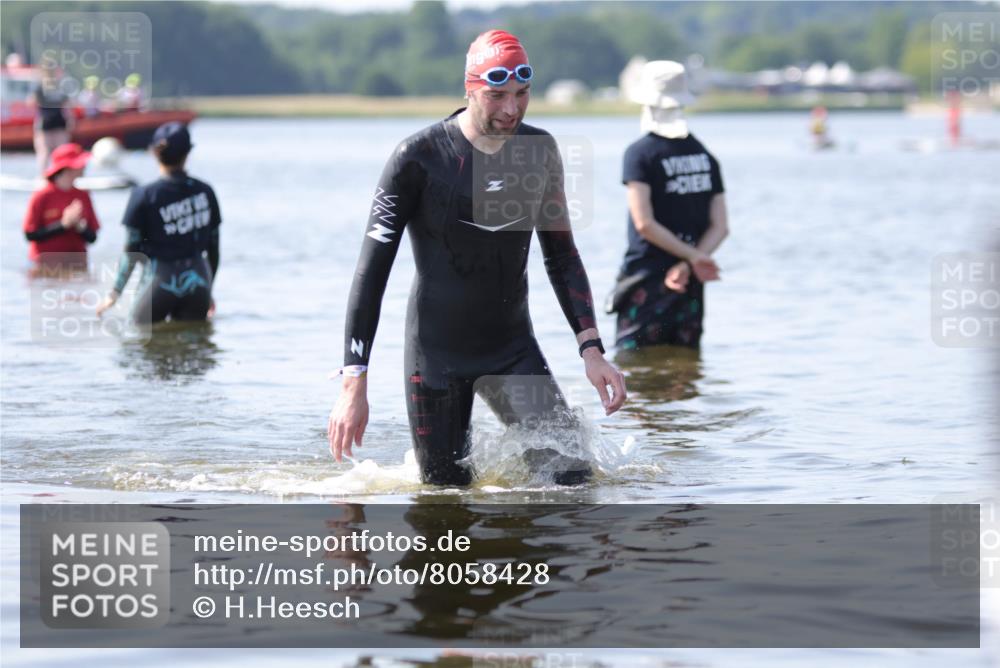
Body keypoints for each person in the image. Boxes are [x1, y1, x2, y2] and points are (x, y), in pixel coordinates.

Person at [327, 30, 626, 486]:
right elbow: (371, 273)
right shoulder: (418, 158)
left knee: (572, 480)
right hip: (436, 357)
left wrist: (592, 350)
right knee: (446, 499)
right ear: (469, 89)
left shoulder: (539, 152)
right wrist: (354, 383)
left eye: (522, 94)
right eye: (497, 95)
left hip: (511, 349)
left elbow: (562, 256)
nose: (511, 109)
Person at [608, 61, 728, 350]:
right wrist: (690, 262)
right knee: (685, 372)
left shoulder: (640, 154)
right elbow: (721, 227)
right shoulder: (705, 155)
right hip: (690, 283)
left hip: (647, 281)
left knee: (634, 370)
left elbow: (644, 224)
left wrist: (691, 260)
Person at [96, 122, 221, 323]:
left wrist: (115, 293)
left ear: (154, 152)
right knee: (195, 348)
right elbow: (213, 249)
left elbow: (132, 251)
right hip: (198, 281)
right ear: (188, 153)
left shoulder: (143, 195)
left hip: (159, 281)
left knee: (137, 342)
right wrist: (208, 290)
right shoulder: (205, 192)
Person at [22, 143, 99, 273]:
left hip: (77, 267)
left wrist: (79, 226)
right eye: (80, 163)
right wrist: (63, 225)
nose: (84, 166)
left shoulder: (83, 195)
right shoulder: (41, 196)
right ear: (66, 168)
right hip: (45, 268)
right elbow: (30, 235)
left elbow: (92, 238)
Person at [31, 66, 74, 176]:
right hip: (59, 122)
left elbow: (31, 103)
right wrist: (70, 120)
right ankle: (61, 177)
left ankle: (43, 177)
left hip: (45, 121)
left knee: (44, 152)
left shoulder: (40, 87)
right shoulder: (60, 88)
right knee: (61, 152)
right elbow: (67, 107)